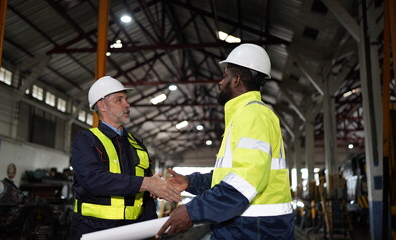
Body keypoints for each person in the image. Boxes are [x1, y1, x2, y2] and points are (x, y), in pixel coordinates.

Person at [156, 44, 294, 239]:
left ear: (236, 80)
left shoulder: (252, 115)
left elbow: (244, 181)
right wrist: (190, 182)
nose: (220, 82)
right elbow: (230, 175)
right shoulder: (244, 116)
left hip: (253, 230)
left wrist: (193, 211)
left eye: (225, 76)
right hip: (246, 226)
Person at [69, 76, 181, 240]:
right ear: (102, 105)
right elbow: (92, 180)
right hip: (94, 230)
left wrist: (152, 229)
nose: (127, 104)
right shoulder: (86, 140)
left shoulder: (137, 145)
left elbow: (145, 196)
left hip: (134, 231)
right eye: (119, 100)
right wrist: (147, 183)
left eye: (126, 99)